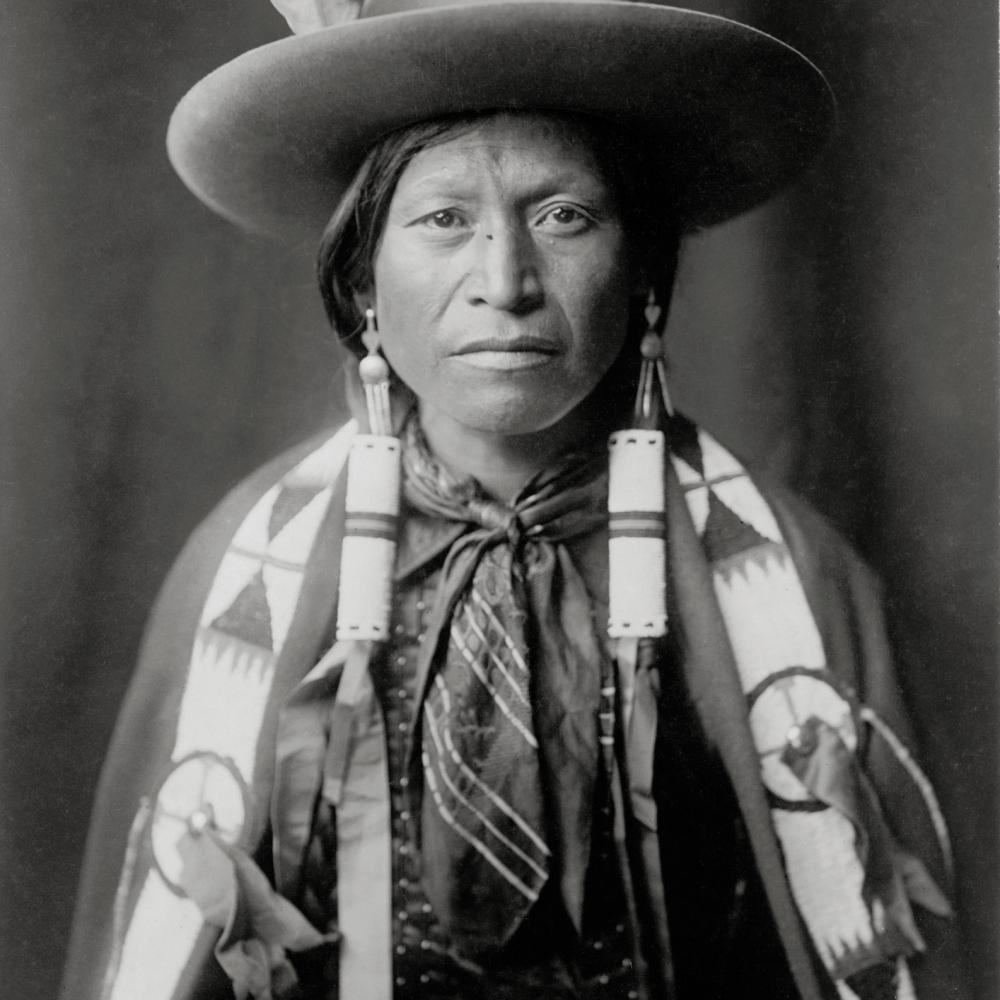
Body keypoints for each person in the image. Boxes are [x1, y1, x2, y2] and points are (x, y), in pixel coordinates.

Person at [61, 1, 967, 998]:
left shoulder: (781, 580)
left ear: (645, 278)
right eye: (444, 219)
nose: (504, 279)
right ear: (365, 281)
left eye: (562, 215)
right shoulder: (252, 567)